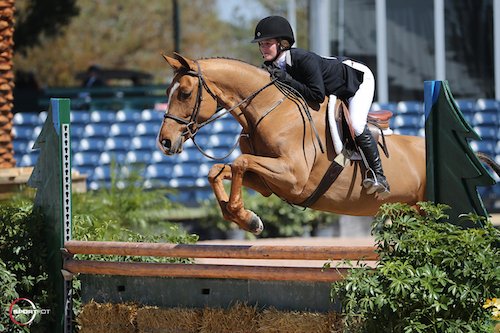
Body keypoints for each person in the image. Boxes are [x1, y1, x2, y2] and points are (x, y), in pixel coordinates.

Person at [252, 15, 390, 196]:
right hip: (334, 86)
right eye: (261, 44)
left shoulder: (303, 59)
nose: (263, 48)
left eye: (267, 43)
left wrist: (288, 80)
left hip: (356, 80)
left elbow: (316, 95)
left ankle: (379, 176)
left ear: (282, 43)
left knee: (356, 124)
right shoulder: (272, 66)